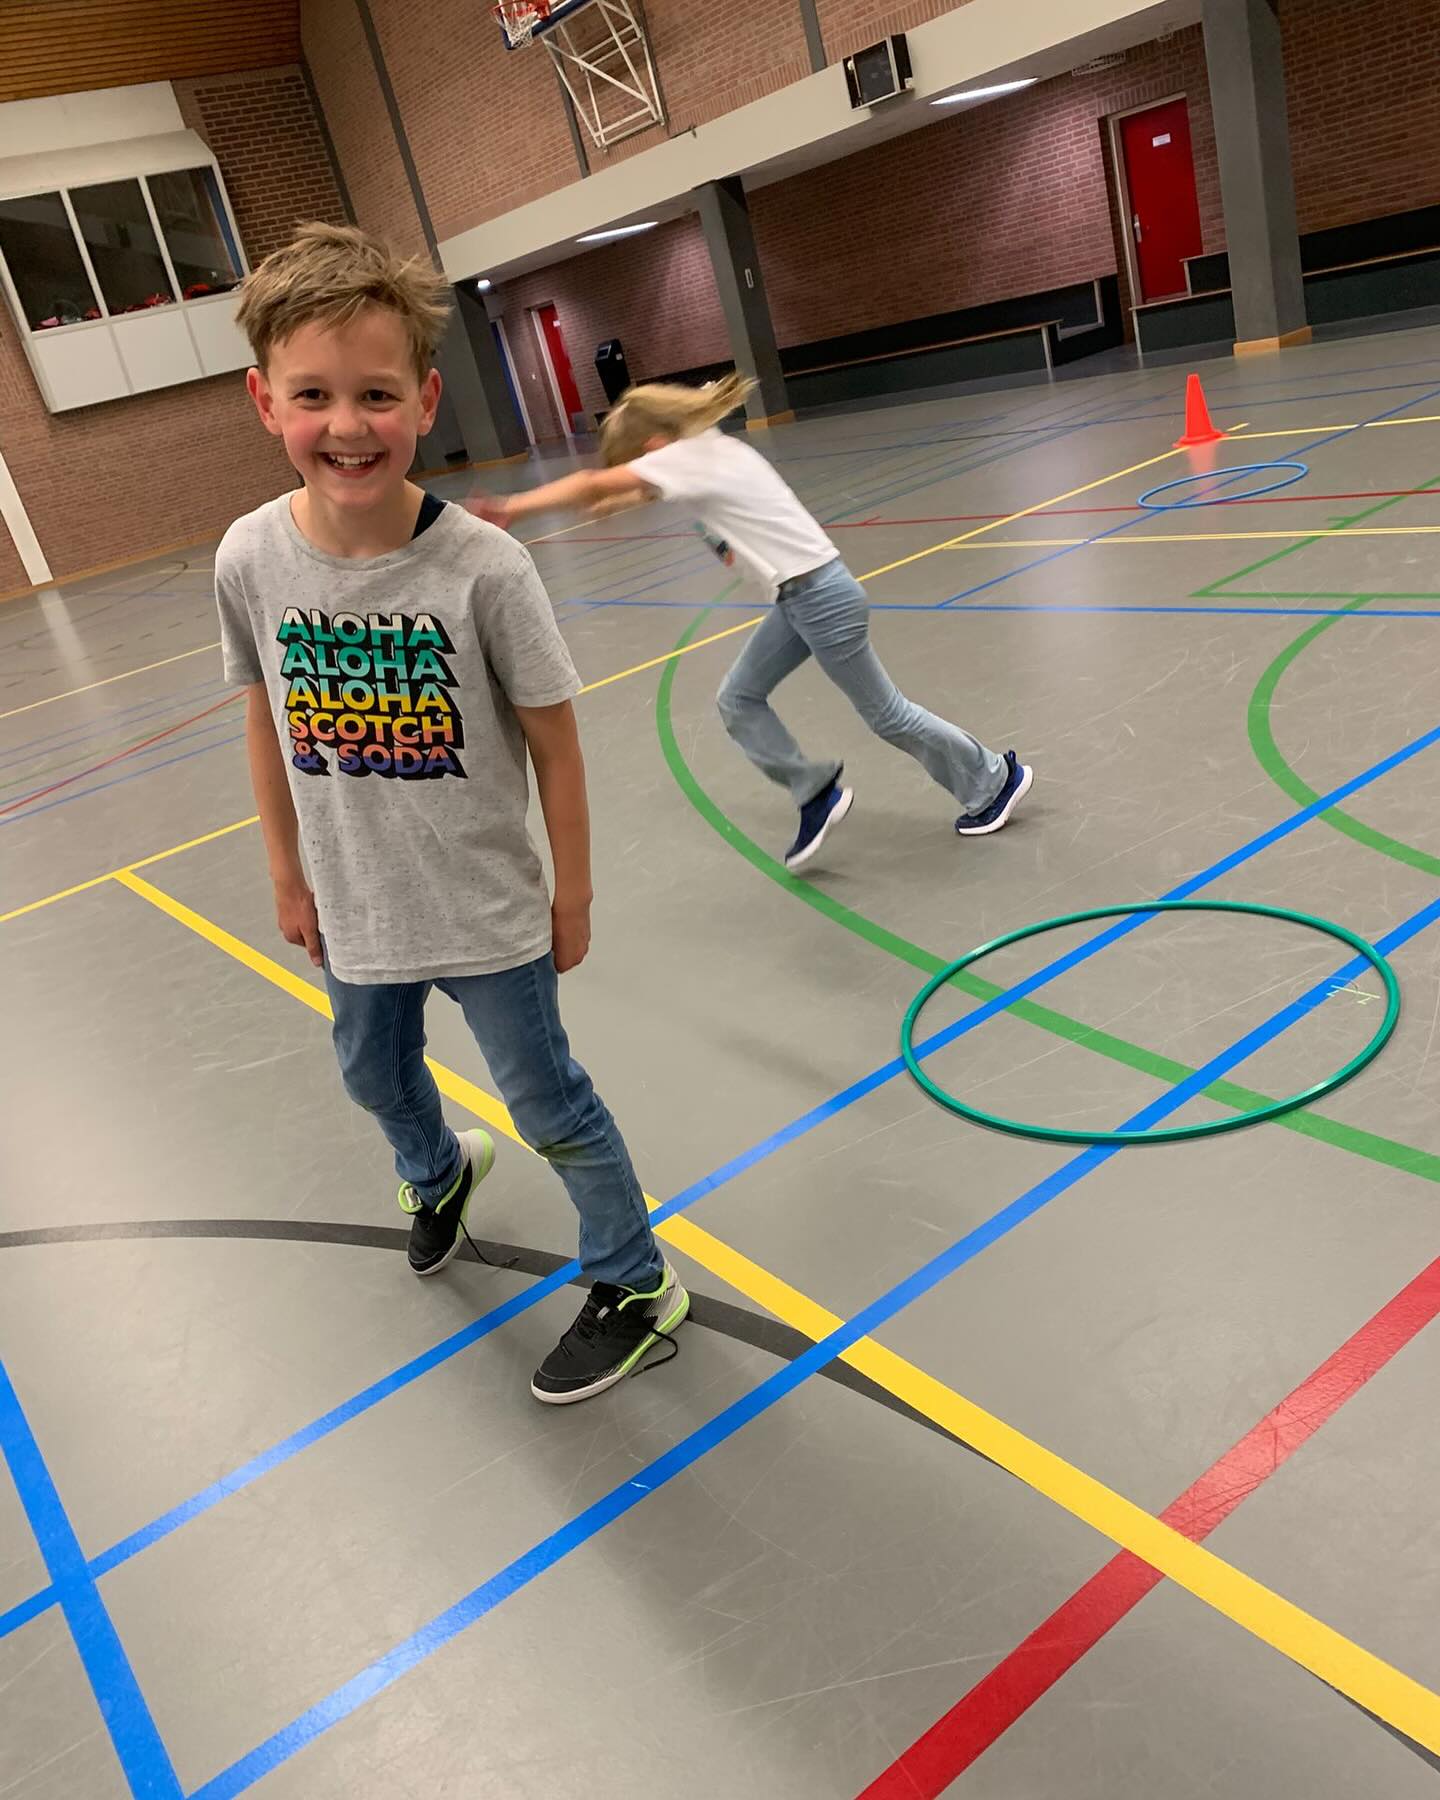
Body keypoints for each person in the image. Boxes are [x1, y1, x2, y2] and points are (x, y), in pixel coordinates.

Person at [214, 223, 687, 1405]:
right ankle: (435, 1170)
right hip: (354, 907)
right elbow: (265, 718)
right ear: (265, 402)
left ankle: (634, 1281)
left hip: (485, 910)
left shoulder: (485, 570)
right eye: (313, 395)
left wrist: (572, 894)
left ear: (424, 400)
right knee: (372, 1077)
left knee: (548, 1103)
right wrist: (286, 871)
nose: (348, 425)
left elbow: (556, 746)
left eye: (376, 394)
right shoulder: (249, 559)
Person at [473, 375, 1032, 870]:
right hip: (802, 597)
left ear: (653, 445)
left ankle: (992, 781)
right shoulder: (711, 453)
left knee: (888, 714)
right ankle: (814, 791)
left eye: (634, 460)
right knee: (738, 699)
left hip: (820, 597)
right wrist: (610, 504)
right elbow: (636, 490)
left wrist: (513, 507)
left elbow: (594, 483)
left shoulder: (689, 458)